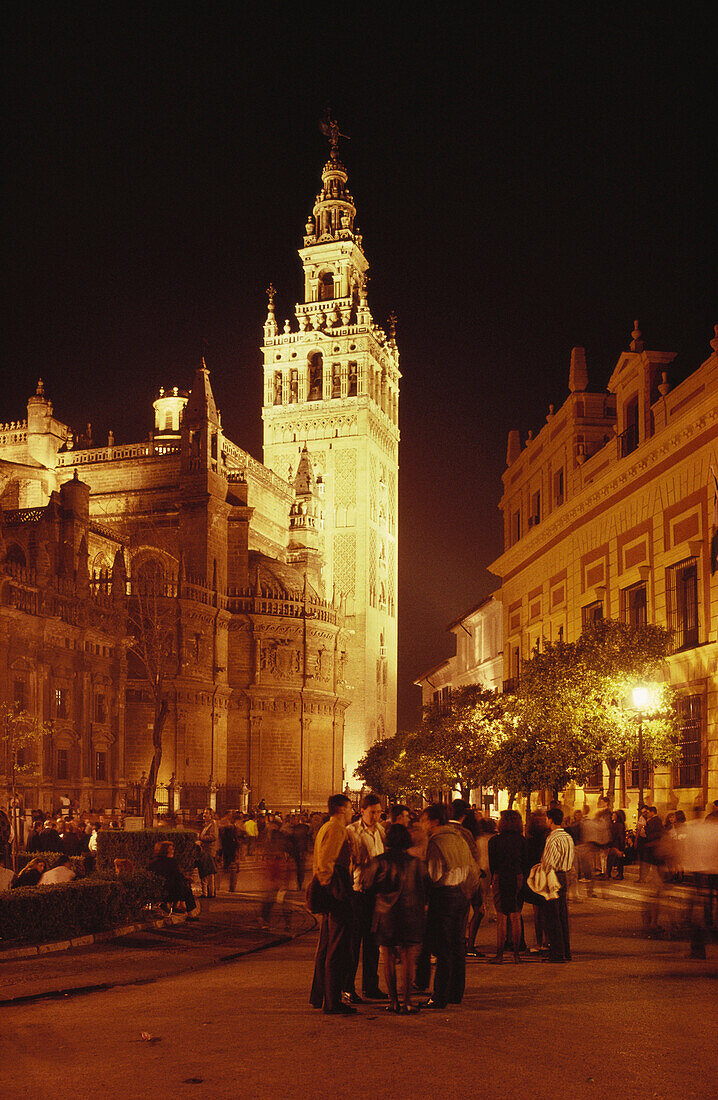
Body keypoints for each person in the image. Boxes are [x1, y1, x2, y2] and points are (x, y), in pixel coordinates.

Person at [362, 823, 425, 1014]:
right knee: (408, 959)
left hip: (385, 914)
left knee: (387, 958)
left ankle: (393, 1001)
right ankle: (407, 1001)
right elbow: (425, 888)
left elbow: (367, 886)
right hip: (411, 914)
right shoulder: (416, 863)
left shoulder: (378, 861)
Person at [418, 802, 477, 1009]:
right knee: (457, 946)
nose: (422, 825)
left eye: (424, 820)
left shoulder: (436, 842)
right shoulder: (458, 837)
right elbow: (472, 868)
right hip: (460, 894)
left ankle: (439, 996)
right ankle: (455, 992)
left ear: (434, 821)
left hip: (443, 896)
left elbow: (434, 874)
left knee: (443, 948)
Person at [309, 794, 356, 1016]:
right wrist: (330, 890)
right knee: (337, 948)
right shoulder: (337, 829)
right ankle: (332, 1000)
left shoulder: (326, 828)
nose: (352, 811)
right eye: (350, 808)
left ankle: (321, 994)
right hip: (336, 891)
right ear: (341, 809)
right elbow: (327, 862)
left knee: (326, 945)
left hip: (330, 890)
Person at [343, 793, 388, 1003]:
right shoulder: (352, 831)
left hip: (375, 892)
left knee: (372, 941)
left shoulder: (380, 831)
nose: (376, 816)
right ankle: (347, 987)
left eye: (379, 812)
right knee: (353, 943)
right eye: (373, 812)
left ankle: (371, 985)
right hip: (358, 890)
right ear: (362, 811)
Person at [488, 809, 526, 963]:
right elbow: (525, 861)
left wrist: (493, 879)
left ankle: (500, 954)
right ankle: (516, 955)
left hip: (500, 876)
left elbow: (492, 863)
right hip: (517, 876)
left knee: (502, 915)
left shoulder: (495, 841)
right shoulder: (522, 841)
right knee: (516, 915)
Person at [540, 807, 575, 962]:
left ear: (551, 820)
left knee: (552, 916)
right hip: (564, 875)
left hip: (554, 876)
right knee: (562, 915)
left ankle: (557, 953)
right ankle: (565, 950)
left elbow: (548, 863)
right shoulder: (568, 837)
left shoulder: (553, 838)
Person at [149, 841, 200, 919]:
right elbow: (178, 875)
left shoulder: (153, 861)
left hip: (158, 890)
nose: (173, 851)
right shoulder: (171, 862)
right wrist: (187, 879)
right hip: (170, 891)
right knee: (187, 891)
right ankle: (191, 914)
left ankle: (174, 906)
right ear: (166, 850)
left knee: (180, 885)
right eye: (171, 849)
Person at [524, 809, 550, 952]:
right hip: (546, 874)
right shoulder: (548, 837)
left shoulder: (530, 839)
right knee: (547, 910)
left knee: (538, 913)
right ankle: (547, 941)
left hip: (534, 876)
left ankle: (540, 942)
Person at [198, 809, 219, 897]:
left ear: (211, 815)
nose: (204, 814)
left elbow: (213, 837)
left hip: (210, 851)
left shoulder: (212, 825)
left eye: (206, 813)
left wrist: (201, 838)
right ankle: (207, 892)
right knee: (206, 872)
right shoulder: (206, 825)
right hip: (205, 851)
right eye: (204, 812)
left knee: (209, 873)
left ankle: (210, 892)